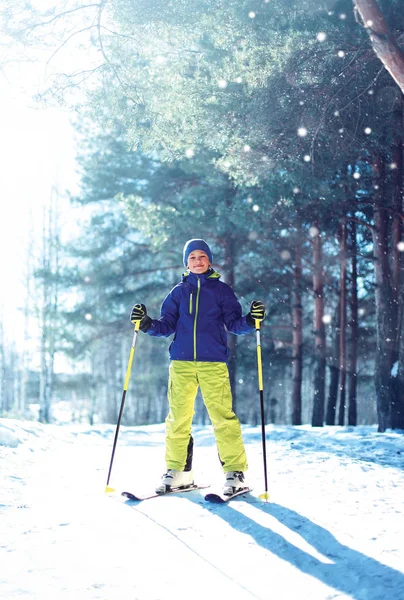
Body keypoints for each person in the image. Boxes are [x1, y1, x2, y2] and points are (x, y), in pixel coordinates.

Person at [130, 238, 266, 495]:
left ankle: (234, 473)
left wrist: (251, 319)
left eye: (202, 256)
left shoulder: (222, 291)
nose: (197, 261)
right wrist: (146, 323)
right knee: (178, 419)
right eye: (192, 257)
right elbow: (166, 326)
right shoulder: (178, 292)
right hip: (181, 363)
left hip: (213, 362)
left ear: (210, 260)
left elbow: (235, 325)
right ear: (186, 263)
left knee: (223, 418)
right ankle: (178, 471)